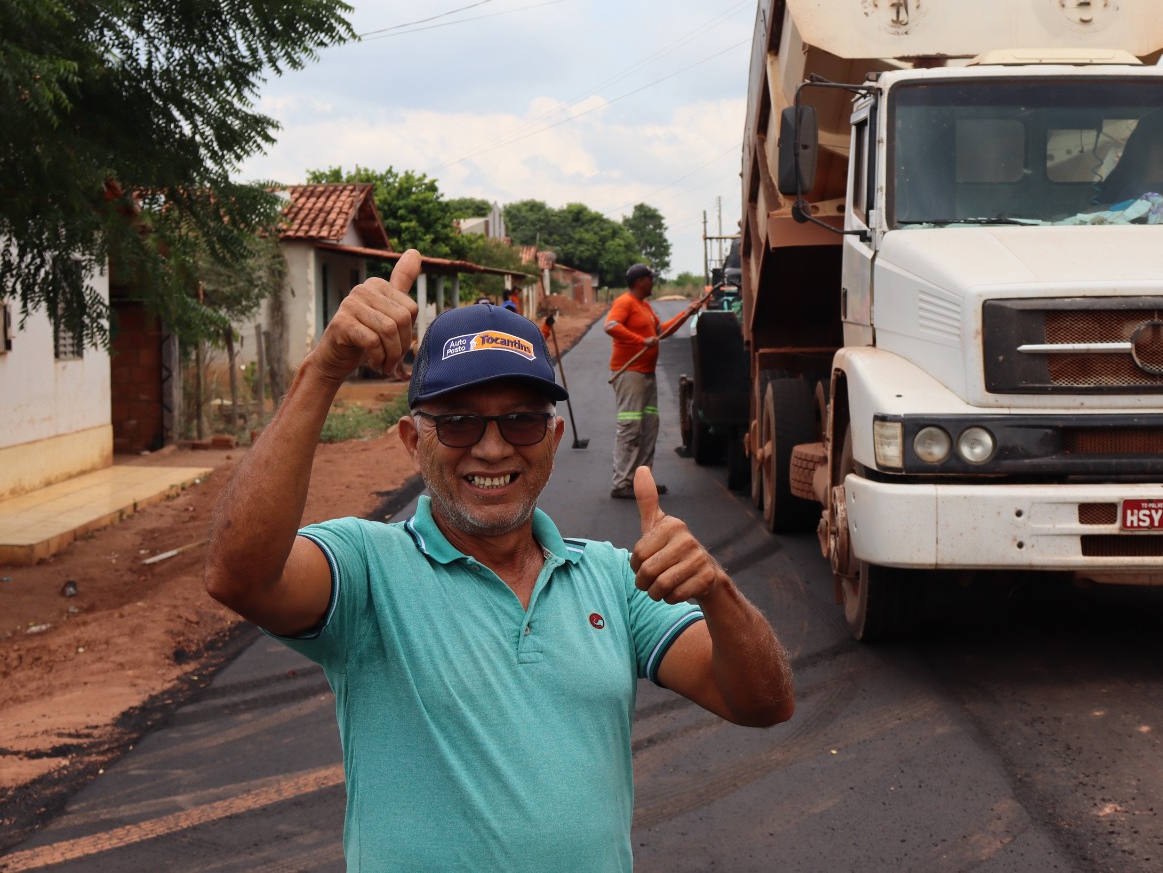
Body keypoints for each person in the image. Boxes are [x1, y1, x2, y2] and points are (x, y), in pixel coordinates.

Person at [204, 251, 793, 872]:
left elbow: (762, 703)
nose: (492, 447)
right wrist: (324, 369)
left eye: (520, 421)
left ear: (553, 440)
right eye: (458, 422)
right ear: (412, 441)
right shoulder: (367, 570)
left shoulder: (616, 579)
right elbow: (239, 575)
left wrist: (717, 593)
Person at [604, 263, 689, 500]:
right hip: (630, 373)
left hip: (647, 376)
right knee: (630, 428)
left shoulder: (645, 306)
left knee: (649, 426)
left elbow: (661, 331)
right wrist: (640, 341)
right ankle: (621, 483)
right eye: (650, 279)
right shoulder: (625, 302)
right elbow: (610, 326)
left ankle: (641, 483)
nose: (653, 282)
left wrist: (686, 313)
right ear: (641, 280)